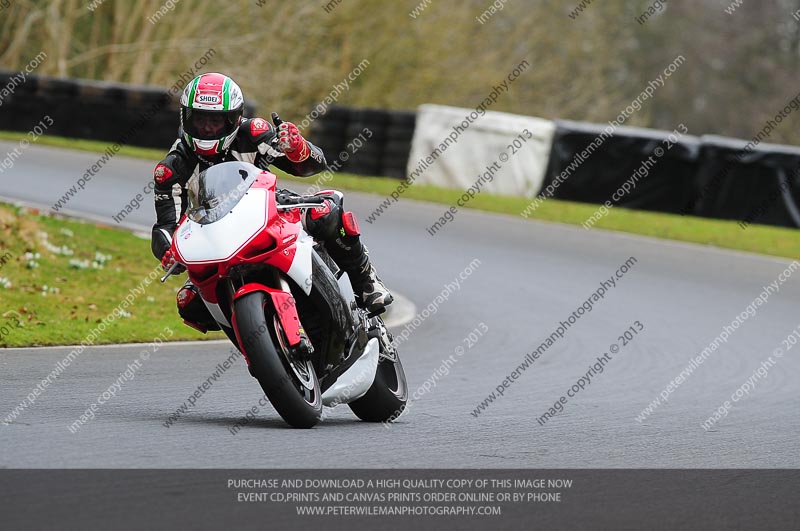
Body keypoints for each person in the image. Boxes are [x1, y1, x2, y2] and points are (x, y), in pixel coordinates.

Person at [151, 72, 392, 332]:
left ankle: (366, 281)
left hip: (268, 214)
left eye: (216, 121)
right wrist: (168, 249)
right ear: (185, 118)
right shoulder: (171, 170)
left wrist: (297, 148)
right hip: (215, 243)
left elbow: (312, 166)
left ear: (234, 118)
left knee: (326, 210)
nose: (208, 128)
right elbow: (166, 226)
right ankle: (254, 337)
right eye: (200, 120)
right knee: (189, 304)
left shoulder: (253, 134)